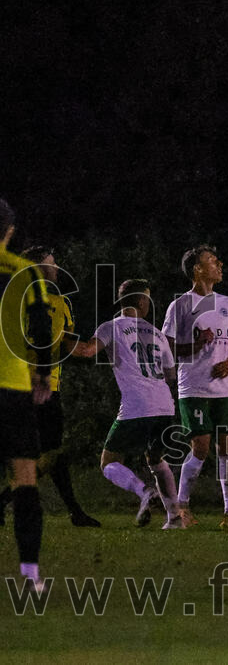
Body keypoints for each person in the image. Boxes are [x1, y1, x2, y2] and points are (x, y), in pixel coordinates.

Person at [0, 246, 100, 527]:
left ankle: (74, 512)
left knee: (45, 452)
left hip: (32, 385)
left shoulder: (45, 301)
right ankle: (73, 511)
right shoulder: (35, 300)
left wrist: (98, 345)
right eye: (50, 263)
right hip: (34, 386)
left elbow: (70, 347)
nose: (55, 268)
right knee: (51, 452)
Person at [76, 280, 182, 528]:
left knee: (109, 461)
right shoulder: (157, 334)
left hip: (136, 405)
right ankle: (175, 518)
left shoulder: (111, 327)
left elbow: (86, 351)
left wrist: (58, 340)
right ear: (143, 302)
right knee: (156, 459)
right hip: (165, 405)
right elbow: (170, 375)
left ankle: (144, 492)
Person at [162, 245, 228, 529]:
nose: (219, 264)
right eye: (211, 261)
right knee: (201, 446)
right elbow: (166, 350)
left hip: (223, 388)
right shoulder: (180, 305)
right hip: (193, 386)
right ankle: (182, 508)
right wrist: (196, 344)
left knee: (226, 446)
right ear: (197, 269)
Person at [0, 198, 53, 591]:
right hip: (13, 387)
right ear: (10, 231)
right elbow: (40, 329)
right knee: (25, 479)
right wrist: (44, 375)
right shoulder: (25, 273)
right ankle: (30, 575)